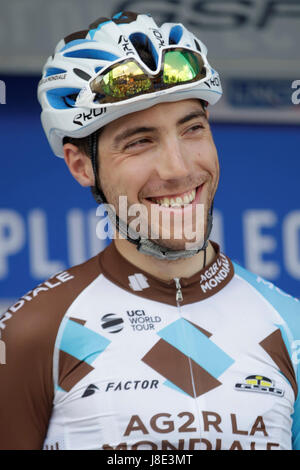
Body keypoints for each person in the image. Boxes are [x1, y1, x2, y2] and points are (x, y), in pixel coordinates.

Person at [0, 11, 299, 451]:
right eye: (140, 141)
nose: (179, 169)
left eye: (192, 129)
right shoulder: (32, 332)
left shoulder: (290, 326)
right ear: (82, 166)